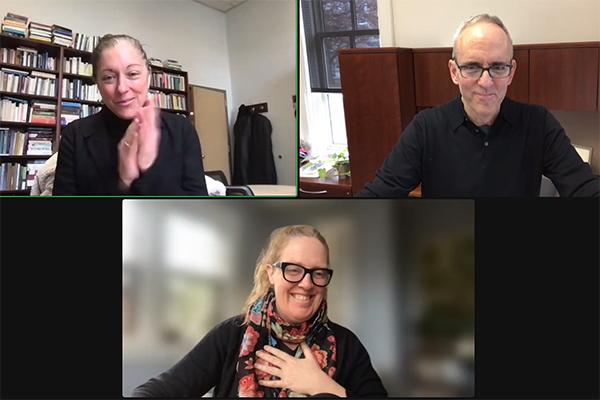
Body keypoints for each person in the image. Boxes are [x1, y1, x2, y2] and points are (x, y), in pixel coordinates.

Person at [358, 14, 599, 197]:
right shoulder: (425, 128)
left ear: (511, 72)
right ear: (454, 71)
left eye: (497, 67)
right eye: (472, 67)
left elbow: (583, 186)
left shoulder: (538, 123)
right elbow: (379, 195)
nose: (486, 83)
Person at [132, 225, 388, 398]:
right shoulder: (231, 336)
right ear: (271, 273)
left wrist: (326, 388)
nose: (307, 283)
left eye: (318, 272)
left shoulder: (347, 346)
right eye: (293, 269)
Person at [53, 34, 207, 195]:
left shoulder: (181, 130)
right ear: (97, 83)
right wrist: (123, 180)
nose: (122, 88)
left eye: (132, 74)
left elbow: (197, 209)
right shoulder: (75, 135)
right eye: (108, 77)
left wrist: (147, 170)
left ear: (148, 76)